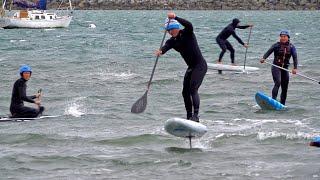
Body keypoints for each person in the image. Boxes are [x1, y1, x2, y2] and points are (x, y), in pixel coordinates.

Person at [155, 12, 207, 122]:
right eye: (168, 30)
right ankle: (189, 115)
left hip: (200, 65)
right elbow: (166, 46)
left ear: (176, 27)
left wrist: (176, 17)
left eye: (171, 29)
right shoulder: (172, 41)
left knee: (193, 89)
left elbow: (189, 24)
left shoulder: (188, 33)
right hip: (191, 67)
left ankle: (196, 116)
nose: (169, 32)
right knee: (185, 92)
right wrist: (161, 51)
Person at [260, 30, 298, 105]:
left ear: (288, 38)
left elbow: (295, 57)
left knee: (285, 87)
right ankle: (273, 101)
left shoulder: (291, 47)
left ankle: (282, 104)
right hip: (276, 67)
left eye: (284, 37)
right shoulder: (276, 45)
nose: (283, 38)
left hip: (285, 68)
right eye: (281, 36)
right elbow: (268, 52)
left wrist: (295, 68)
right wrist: (264, 58)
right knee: (278, 82)